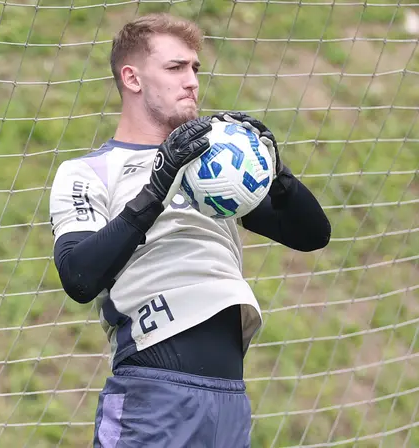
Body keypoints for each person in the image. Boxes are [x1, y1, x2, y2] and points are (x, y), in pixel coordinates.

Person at [48, 13, 331, 448]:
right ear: (133, 78)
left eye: (195, 69)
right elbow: (78, 276)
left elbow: (313, 234)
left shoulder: (213, 172)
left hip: (229, 403)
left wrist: (278, 173)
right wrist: (156, 186)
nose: (192, 81)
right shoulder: (89, 172)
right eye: (175, 67)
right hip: (153, 394)